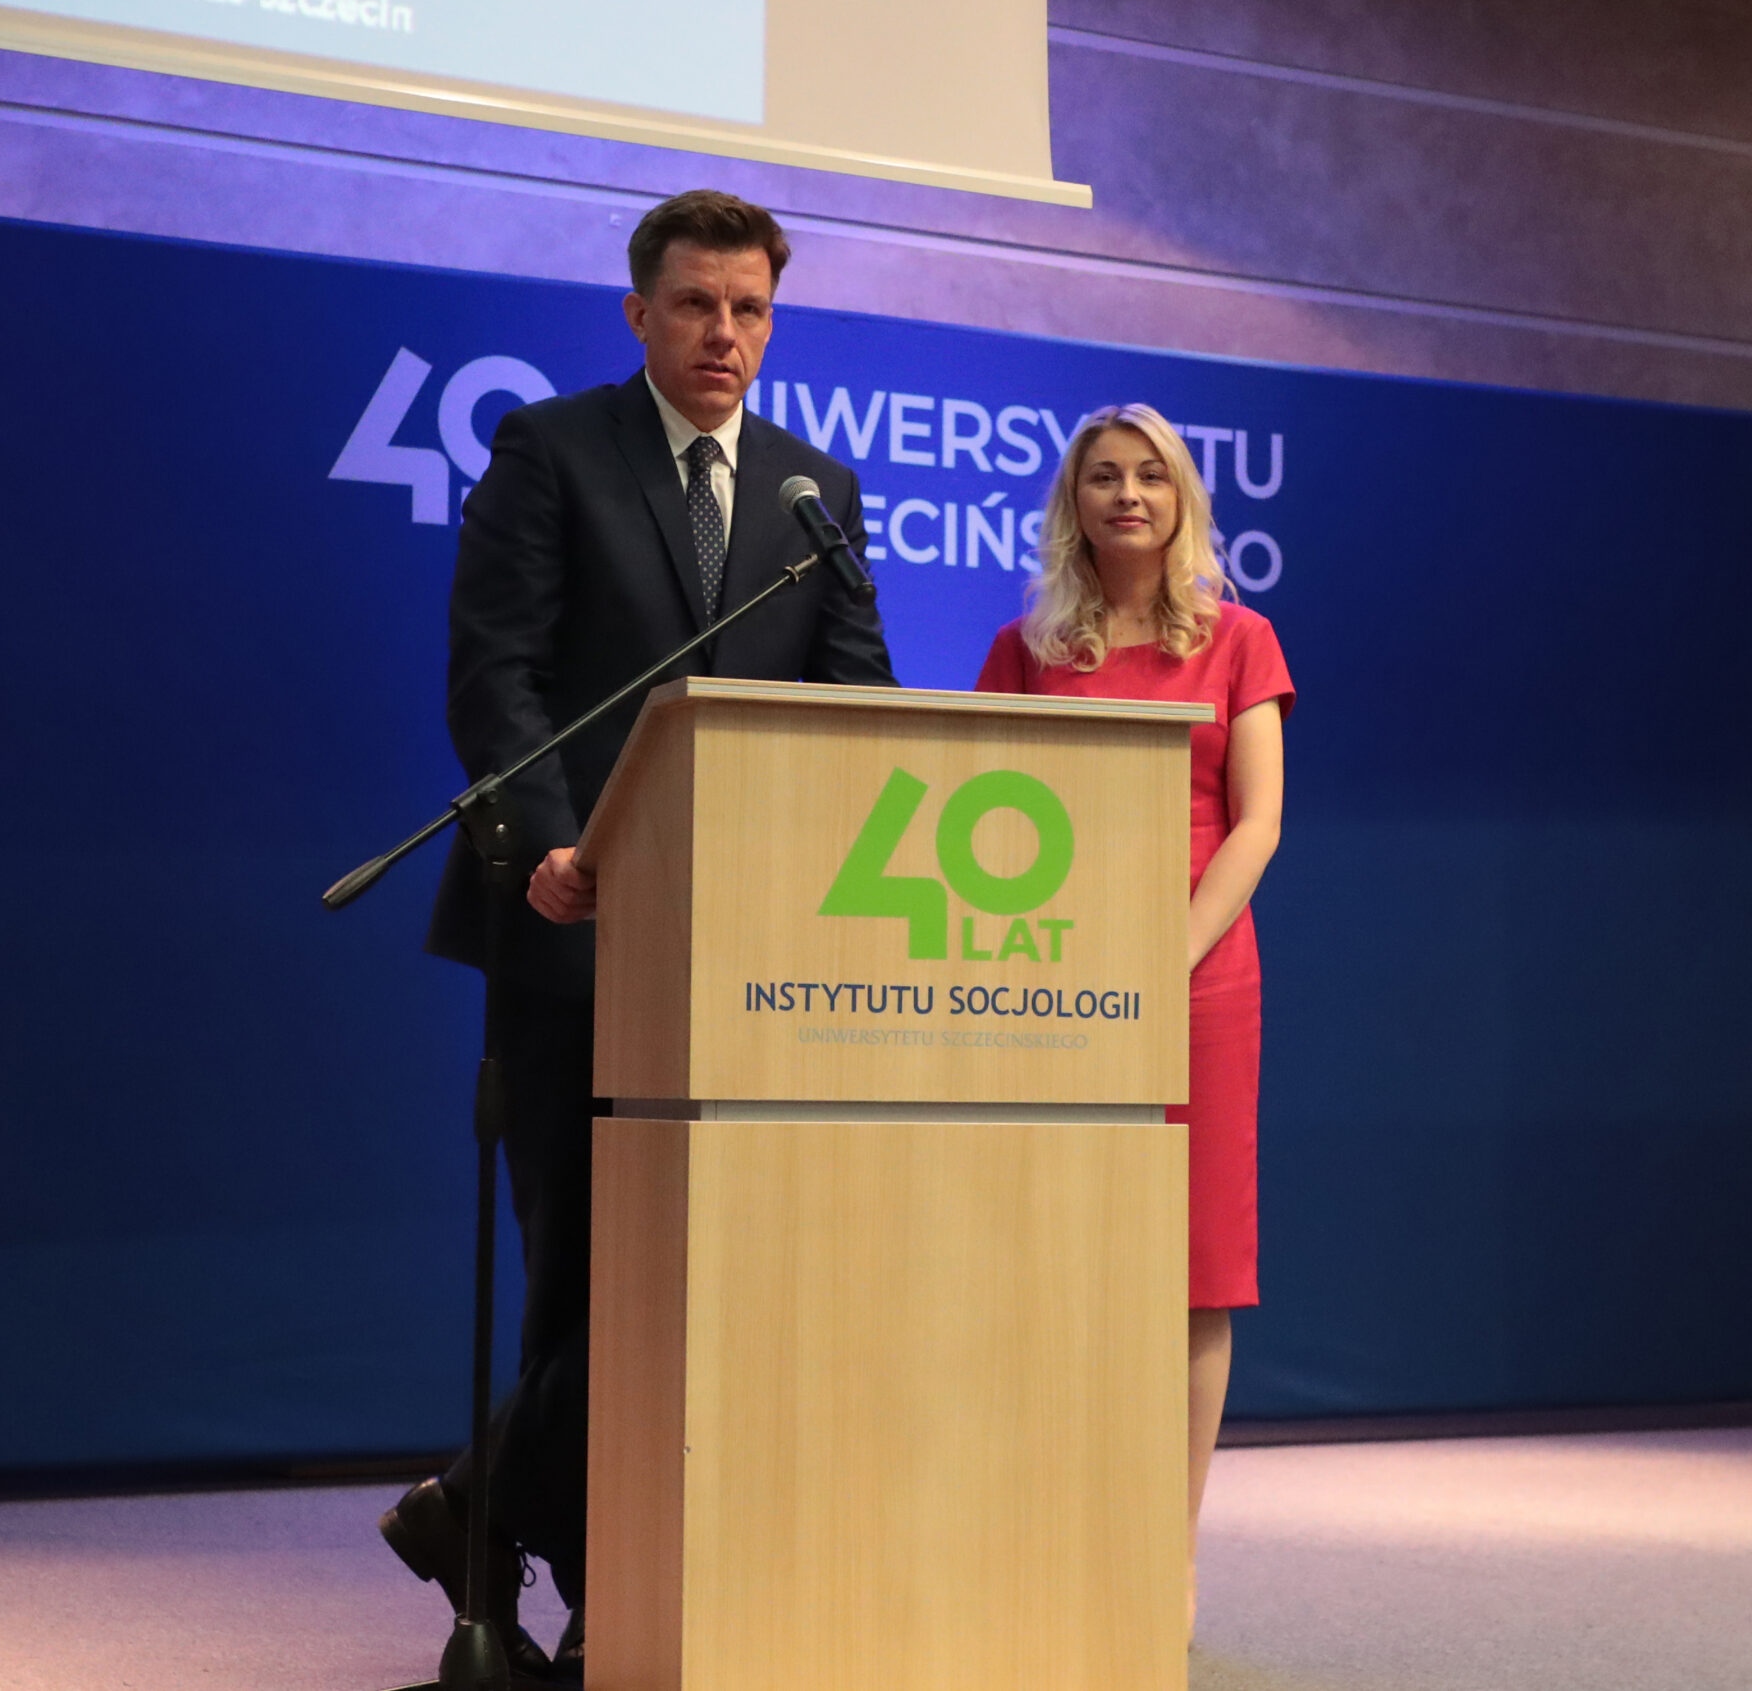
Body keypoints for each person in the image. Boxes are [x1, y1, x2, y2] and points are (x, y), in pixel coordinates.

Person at [380, 189, 896, 1682]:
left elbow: (854, 699)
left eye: (748, 309)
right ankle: (603, 1586)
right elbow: (497, 673)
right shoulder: (552, 449)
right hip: (573, 925)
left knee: (702, 1271)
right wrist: (552, 844)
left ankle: (476, 1510)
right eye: (695, 304)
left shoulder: (811, 489)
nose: (724, 333)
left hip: (747, 949)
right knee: (585, 1270)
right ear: (638, 313)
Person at [972, 404, 1291, 1635]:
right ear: (1074, 503)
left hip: (1198, 983)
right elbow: (983, 815)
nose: (1126, 495)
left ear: (1181, 500)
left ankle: (1169, 1551)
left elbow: (1256, 823)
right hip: (1055, 978)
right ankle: (1057, 1532)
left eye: (1149, 476)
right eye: (1102, 476)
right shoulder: (1025, 648)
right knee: (1058, 1264)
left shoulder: (1240, 639)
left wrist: (1164, 955)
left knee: (1193, 1277)